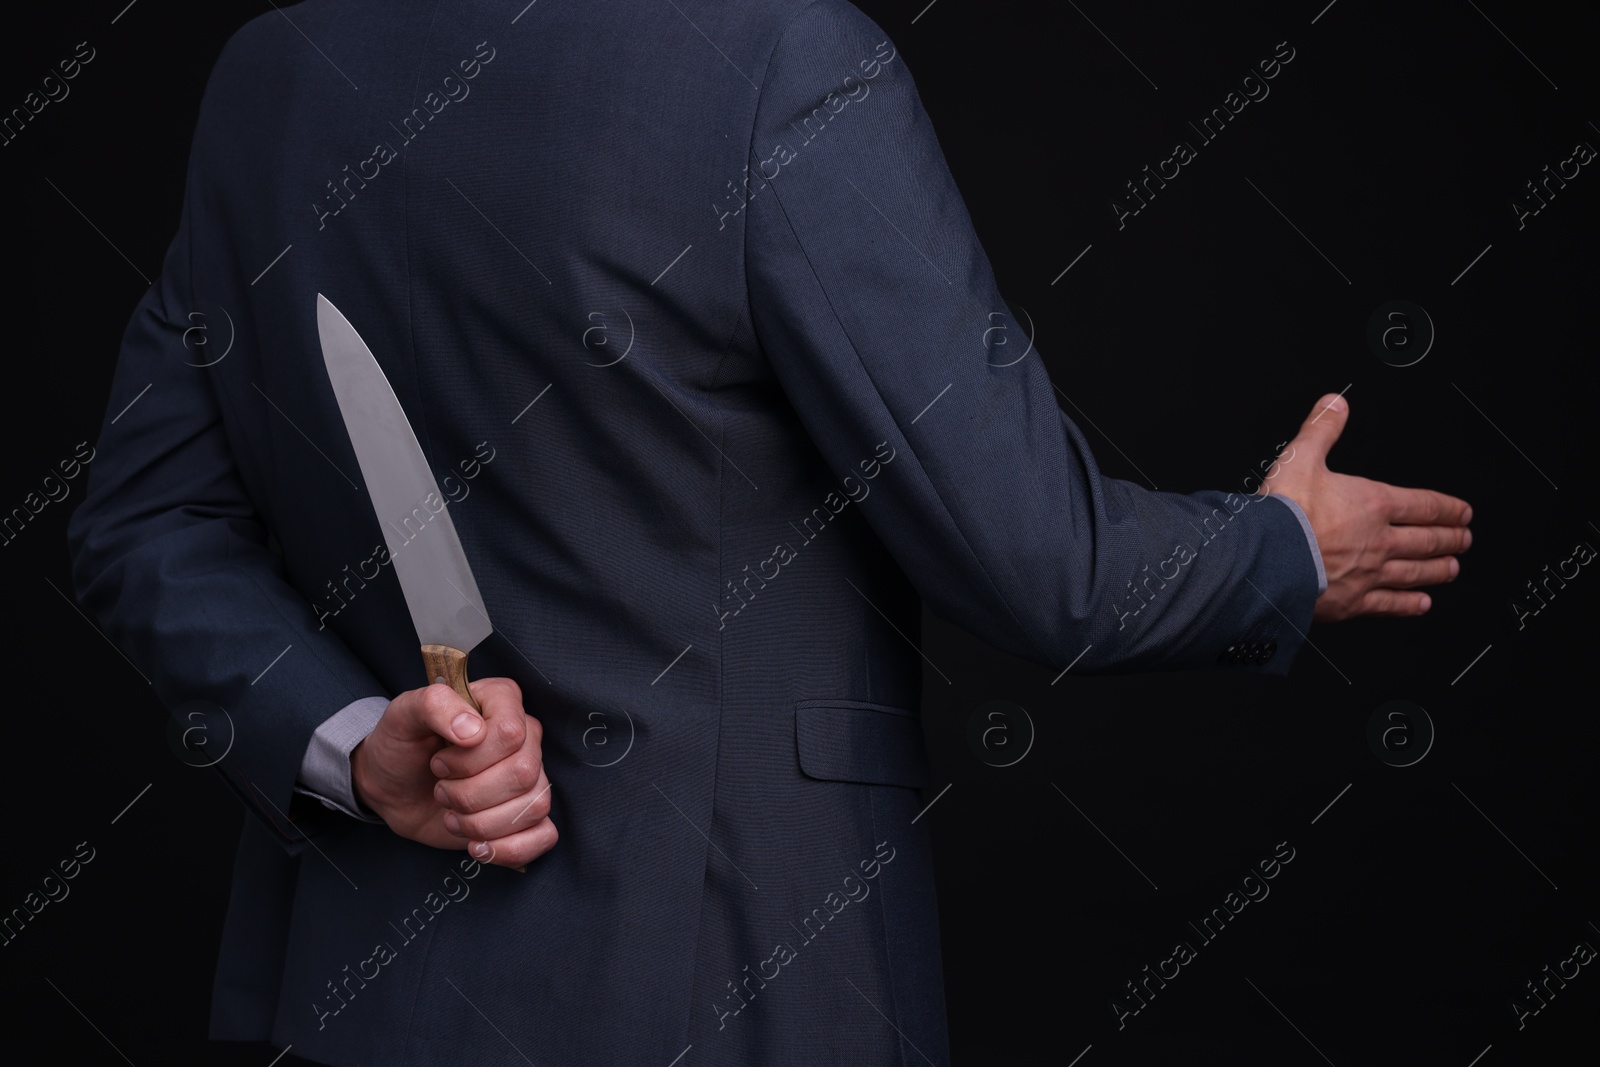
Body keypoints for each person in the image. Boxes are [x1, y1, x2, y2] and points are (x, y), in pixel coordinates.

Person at [66, 1, 1470, 1064]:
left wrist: (353, 743)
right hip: (736, 990)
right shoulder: (779, 63)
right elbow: (1054, 571)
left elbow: (144, 524)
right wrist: (1286, 550)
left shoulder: (274, 73)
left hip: (363, 1004)